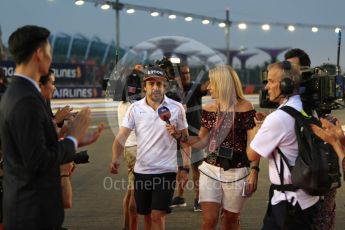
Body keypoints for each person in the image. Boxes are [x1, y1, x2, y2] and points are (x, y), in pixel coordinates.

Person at [0, 25, 101, 229]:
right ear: (39, 54)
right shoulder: (25, 100)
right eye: (49, 52)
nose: (50, 58)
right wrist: (71, 140)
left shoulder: (18, 93)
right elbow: (38, 161)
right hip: (32, 214)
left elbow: (31, 148)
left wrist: (76, 139)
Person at [167, 65, 259, 230]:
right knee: (208, 221)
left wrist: (254, 171)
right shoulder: (209, 109)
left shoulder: (246, 108)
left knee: (230, 221)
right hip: (210, 169)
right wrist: (180, 136)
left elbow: (254, 145)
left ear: (223, 83)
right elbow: (202, 141)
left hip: (237, 171)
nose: (208, 87)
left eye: (212, 83)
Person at [110, 66, 189, 230]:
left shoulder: (176, 108)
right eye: (151, 84)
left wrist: (185, 168)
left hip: (167, 171)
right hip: (142, 172)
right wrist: (115, 158)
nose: (155, 88)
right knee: (146, 216)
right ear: (144, 86)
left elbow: (185, 140)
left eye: (159, 84)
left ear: (164, 86)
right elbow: (121, 137)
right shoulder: (134, 109)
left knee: (157, 216)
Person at [247, 61, 320, 229]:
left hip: (290, 204)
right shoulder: (309, 109)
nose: (267, 87)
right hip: (308, 199)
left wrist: (255, 130)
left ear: (286, 85)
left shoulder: (278, 118)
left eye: (271, 81)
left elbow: (252, 154)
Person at [285, 48, 337, 230]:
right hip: (295, 184)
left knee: (321, 221)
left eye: (294, 68)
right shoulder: (288, 105)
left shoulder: (322, 112)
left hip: (320, 183)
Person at [170, 64, 208, 211]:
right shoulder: (172, 91)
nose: (187, 75)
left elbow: (204, 87)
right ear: (177, 76)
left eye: (188, 73)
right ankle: (180, 197)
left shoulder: (195, 88)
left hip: (196, 135)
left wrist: (214, 79)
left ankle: (198, 199)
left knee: (197, 169)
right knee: (180, 169)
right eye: (184, 73)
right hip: (179, 136)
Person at [116, 70, 141, 230]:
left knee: (131, 190)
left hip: (128, 149)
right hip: (138, 149)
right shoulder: (136, 106)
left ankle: (126, 225)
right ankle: (131, 226)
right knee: (136, 194)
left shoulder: (122, 104)